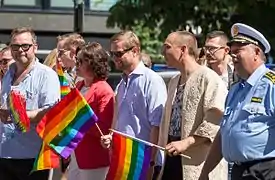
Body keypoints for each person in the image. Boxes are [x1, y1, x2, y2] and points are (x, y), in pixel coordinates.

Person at [199, 23, 275, 180]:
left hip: (265, 171)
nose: (232, 56)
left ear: (256, 52)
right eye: (231, 52)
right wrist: (205, 171)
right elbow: (223, 133)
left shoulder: (271, 85)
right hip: (238, 172)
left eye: (238, 51)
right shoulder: (235, 90)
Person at [158, 31, 228, 180]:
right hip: (171, 160)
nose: (163, 52)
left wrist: (186, 142)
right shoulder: (173, 81)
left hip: (198, 164)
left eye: (167, 47)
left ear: (183, 50)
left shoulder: (209, 79)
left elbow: (215, 121)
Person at [101, 30, 167, 179]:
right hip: (124, 160)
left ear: (135, 51)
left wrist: (150, 164)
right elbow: (121, 122)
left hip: (142, 161)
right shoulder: (121, 83)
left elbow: (157, 125)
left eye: (118, 54)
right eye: (112, 54)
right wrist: (111, 137)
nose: (114, 58)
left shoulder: (152, 80)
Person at [0, 27, 60, 180]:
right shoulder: (8, 73)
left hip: (32, 158)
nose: (20, 50)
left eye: (25, 46)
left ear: (35, 47)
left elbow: (52, 111)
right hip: (5, 154)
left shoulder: (47, 75)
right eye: (15, 46)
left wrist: (18, 115)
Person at [67, 42, 114, 180]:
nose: (77, 64)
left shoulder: (104, 90)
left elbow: (104, 127)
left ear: (93, 64)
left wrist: (78, 120)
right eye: (77, 60)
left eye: (81, 61)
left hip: (94, 157)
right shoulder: (79, 85)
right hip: (76, 154)